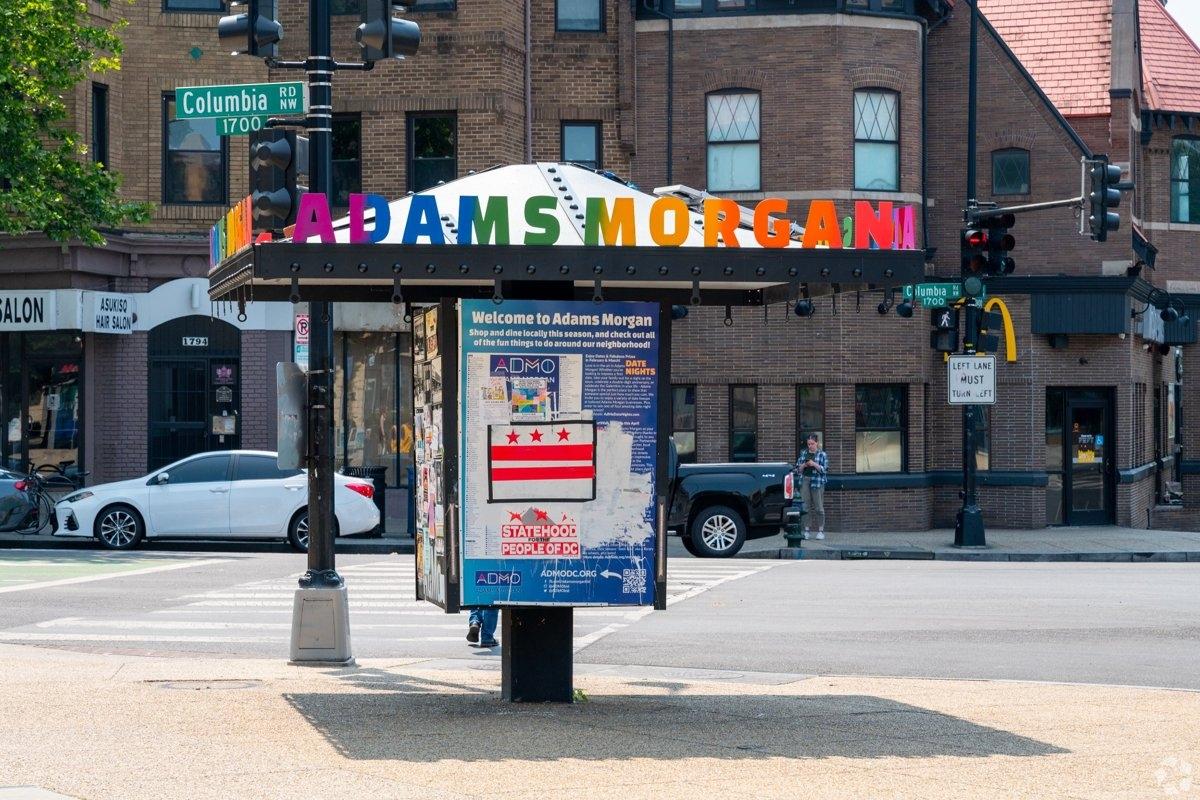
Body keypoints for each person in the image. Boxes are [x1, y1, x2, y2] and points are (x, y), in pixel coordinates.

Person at [796, 433, 828, 539]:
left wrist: (814, 464)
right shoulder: (803, 453)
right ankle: (806, 530)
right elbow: (798, 470)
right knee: (806, 507)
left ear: (817, 443)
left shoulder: (822, 454)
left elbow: (824, 470)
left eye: (812, 444)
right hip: (805, 481)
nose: (810, 446)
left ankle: (821, 531)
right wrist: (804, 465)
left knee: (819, 507)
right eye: (808, 444)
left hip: (817, 482)